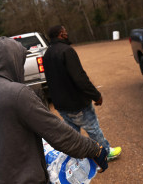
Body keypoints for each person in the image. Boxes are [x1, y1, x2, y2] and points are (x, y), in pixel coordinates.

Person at [0, 37, 108, 183]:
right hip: (19, 178)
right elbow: (58, 133)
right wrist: (94, 149)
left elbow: (9, 132)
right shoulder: (18, 94)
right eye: (21, 61)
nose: (22, 67)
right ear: (12, 60)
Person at [43, 25, 122, 161]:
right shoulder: (67, 51)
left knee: (73, 134)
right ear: (61, 34)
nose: (67, 33)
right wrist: (96, 95)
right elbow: (79, 77)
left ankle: (78, 157)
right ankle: (105, 153)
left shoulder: (47, 54)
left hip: (61, 104)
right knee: (93, 129)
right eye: (65, 31)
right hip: (76, 102)